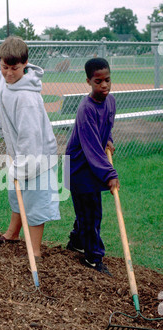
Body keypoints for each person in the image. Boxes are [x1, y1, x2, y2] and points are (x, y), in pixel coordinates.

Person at [0, 36, 60, 258]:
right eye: (4, 67)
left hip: (37, 157)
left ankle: (34, 252)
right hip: (19, 152)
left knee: (34, 202)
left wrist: (20, 168)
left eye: (14, 69)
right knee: (16, 194)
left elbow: (30, 140)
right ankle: (12, 234)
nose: (8, 73)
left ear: (25, 64)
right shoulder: (6, 80)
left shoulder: (27, 98)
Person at [65, 57, 120, 276]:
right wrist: (109, 173)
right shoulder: (86, 109)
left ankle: (77, 241)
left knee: (87, 210)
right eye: (98, 81)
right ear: (88, 81)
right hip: (78, 166)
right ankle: (93, 257)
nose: (104, 85)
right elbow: (90, 147)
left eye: (107, 80)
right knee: (91, 212)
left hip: (91, 163)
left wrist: (109, 139)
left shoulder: (110, 101)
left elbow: (105, 127)